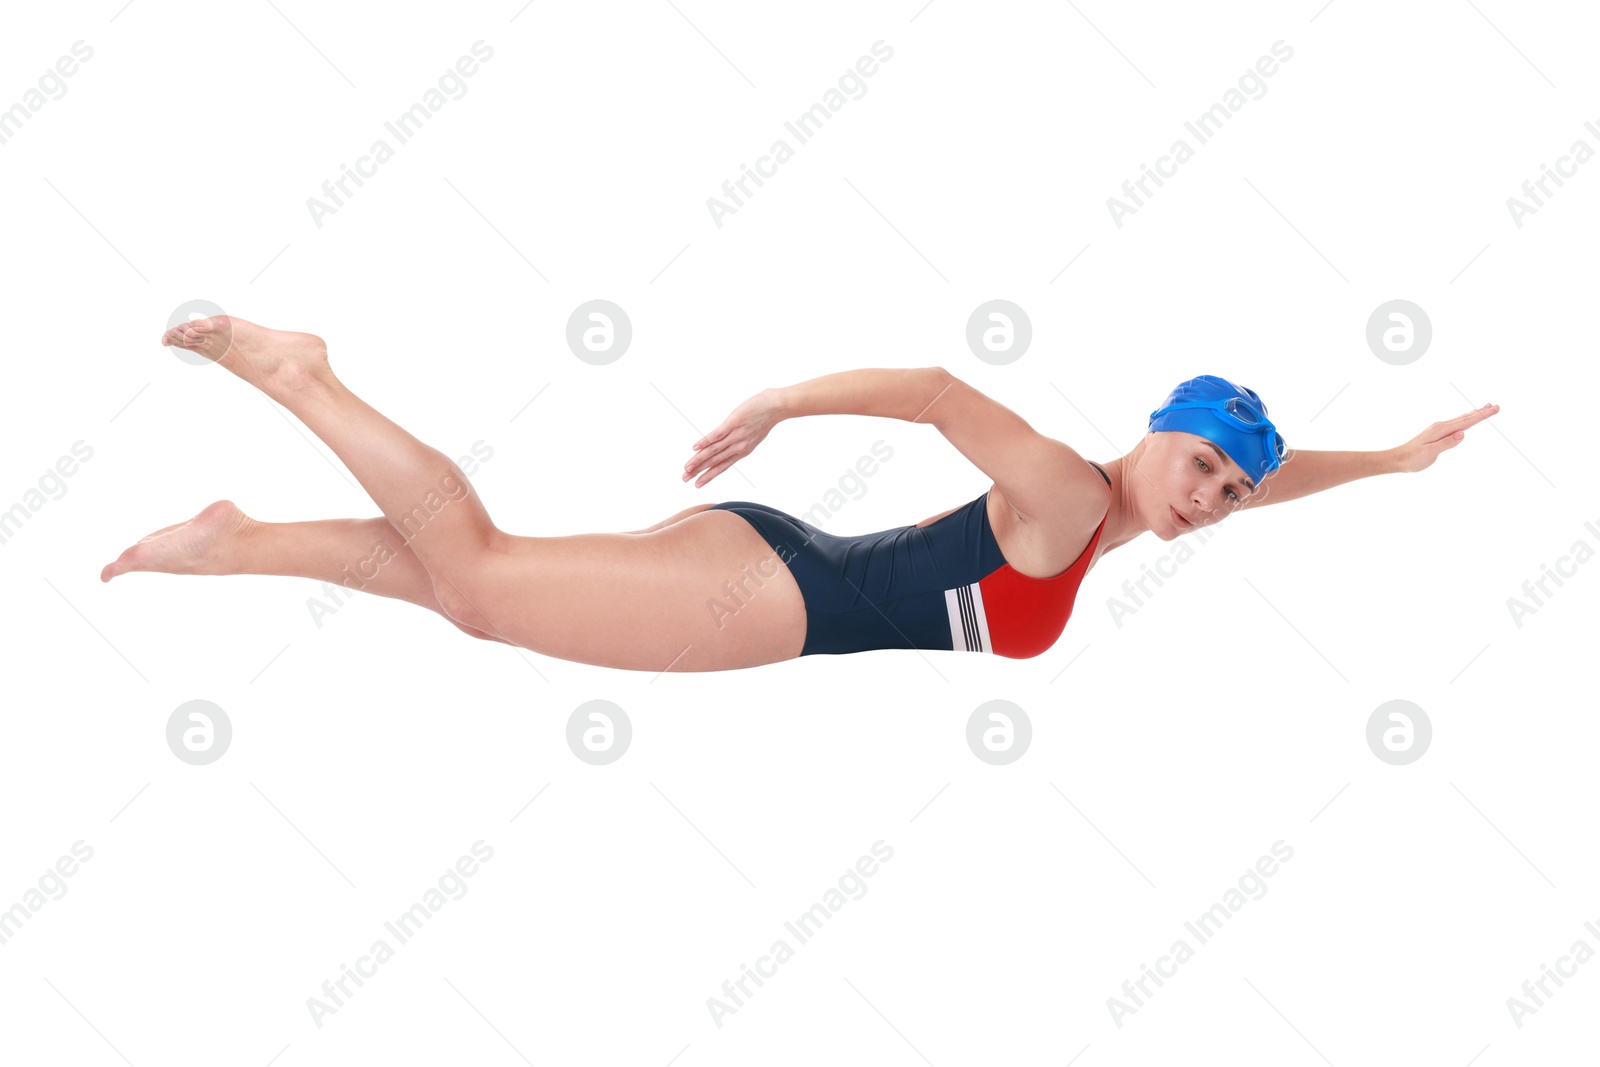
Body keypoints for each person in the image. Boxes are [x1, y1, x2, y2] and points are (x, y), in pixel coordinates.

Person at [101, 315, 1500, 672]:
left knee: (483, 597)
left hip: (769, 573)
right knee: (476, 575)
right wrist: (777, 403)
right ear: (1154, 435)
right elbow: (947, 393)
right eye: (1203, 467)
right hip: (765, 594)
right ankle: (304, 378)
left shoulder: (1126, 503)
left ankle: (244, 541)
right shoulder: (1070, 497)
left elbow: (1270, 471)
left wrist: (1390, 458)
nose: (1214, 499)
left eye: (1229, 493)